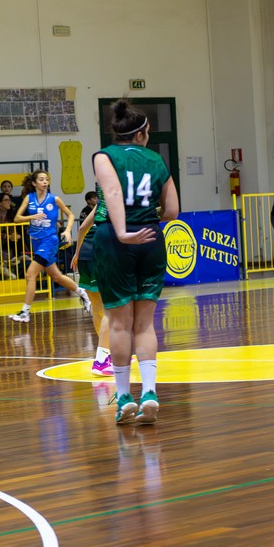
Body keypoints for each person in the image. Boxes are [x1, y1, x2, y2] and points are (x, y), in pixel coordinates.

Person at [92, 99, 179, 425]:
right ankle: (151, 392)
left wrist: (122, 231)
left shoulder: (104, 156)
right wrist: (147, 220)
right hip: (151, 238)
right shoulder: (157, 159)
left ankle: (125, 396)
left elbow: (112, 193)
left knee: (118, 324)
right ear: (143, 133)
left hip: (116, 241)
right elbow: (172, 211)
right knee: (145, 324)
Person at [8, 171, 91, 323]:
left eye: (47, 179)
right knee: (57, 276)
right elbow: (16, 219)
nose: (45, 182)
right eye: (41, 179)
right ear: (34, 183)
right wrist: (31, 217)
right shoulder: (29, 198)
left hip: (49, 241)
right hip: (36, 242)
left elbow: (70, 215)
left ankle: (25, 312)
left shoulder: (54, 199)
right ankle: (83, 293)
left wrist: (67, 230)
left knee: (30, 274)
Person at [71, 190, 113, 376]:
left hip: (86, 253)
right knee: (111, 309)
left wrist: (77, 253)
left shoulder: (102, 200)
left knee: (97, 308)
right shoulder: (121, 198)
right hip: (101, 252)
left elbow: (81, 229)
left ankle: (107, 352)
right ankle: (102, 360)